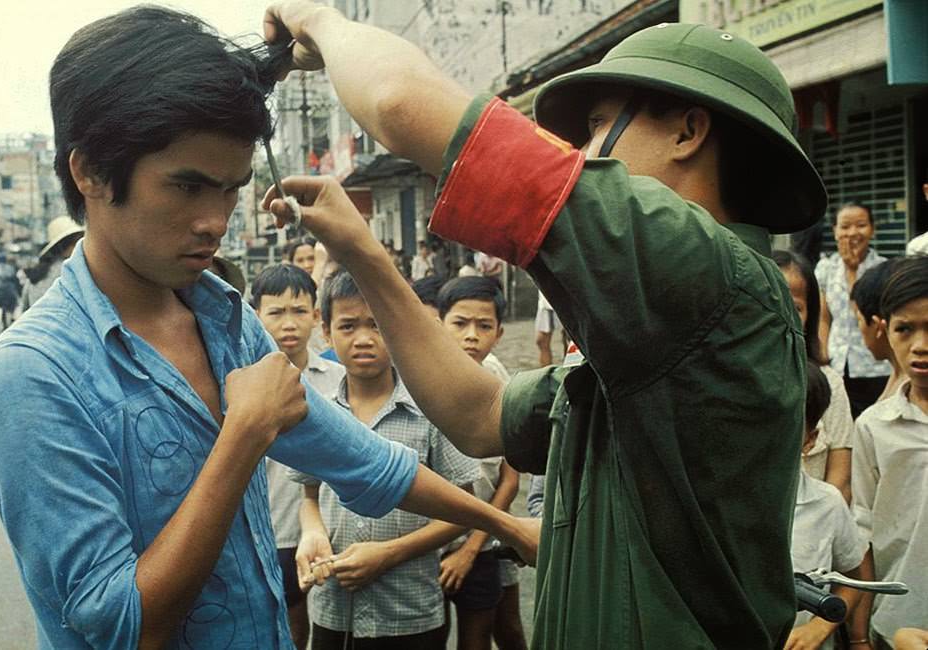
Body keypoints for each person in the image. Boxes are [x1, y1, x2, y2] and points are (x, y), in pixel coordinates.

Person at [0, 8, 536, 649]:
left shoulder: (223, 316)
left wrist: (507, 527)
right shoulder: (28, 376)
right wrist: (244, 435)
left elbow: (363, 462)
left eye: (233, 190)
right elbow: (121, 627)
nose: (215, 220)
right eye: (187, 186)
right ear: (90, 171)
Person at [263, 5, 826, 647]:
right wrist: (363, 253)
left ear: (688, 131)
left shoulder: (707, 276)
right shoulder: (660, 327)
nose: (582, 154)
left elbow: (398, 102)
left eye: (596, 128)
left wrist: (318, 20)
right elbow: (480, 415)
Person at [293, 271, 480, 649]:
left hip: (409, 611)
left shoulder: (429, 411)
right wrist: (312, 533)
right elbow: (310, 496)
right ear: (326, 332)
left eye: (377, 324)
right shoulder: (318, 415)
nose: (363, 339)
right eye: (348, 326)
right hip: (333, 606)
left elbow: (465, 509)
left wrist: (389, 554)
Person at [251, 263, 346, 650]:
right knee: (284, 627)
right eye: (276, 312)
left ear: (316, 317)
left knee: (327, 624)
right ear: (255, 315)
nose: (288, 323)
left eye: (299, 311)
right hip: (271, 529)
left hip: (328, 528)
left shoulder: (339, 379)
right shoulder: (245, 380)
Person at [436, 276, 527, 650]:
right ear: (439, 323)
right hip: (429, 541)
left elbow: (510, 479)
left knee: (500, 628)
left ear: (499, 332)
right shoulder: (421, 376)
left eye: (484, 325)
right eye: (460, 323)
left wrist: (473, 547)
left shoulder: (498, 379)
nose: (471, 335)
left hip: (488, 533)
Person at [852, 256, 928, 647]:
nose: (920, 347)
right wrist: (860, 636)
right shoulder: (874, 428)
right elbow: (862, 535)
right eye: (905, 329)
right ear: (886, 331)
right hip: (895, 622)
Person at [787, 361, 874, 650]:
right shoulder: (717, 505)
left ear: (810, 440)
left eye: (786, 427)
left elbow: (855, 577)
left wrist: (819, 627)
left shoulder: (826, 503)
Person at [774, 250, 855, 503]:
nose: (783, 315)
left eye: (796, 307)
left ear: (810, 315)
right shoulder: (735, 376)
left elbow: (840, 479)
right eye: (773, 301)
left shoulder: (828, 382)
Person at [816, 203, 892, 417]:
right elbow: (823, 318)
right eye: (845, 226)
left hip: (874, 367)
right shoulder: (825, 268)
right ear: (835, 230)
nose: (852, 233)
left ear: (872, 229)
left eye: (861, 225)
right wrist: (823, 356)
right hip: (837, 363)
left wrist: (854, 272)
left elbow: (869, 313)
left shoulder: (883, 268)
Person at [851, 258, 906, 401]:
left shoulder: (911, 390)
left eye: (859, 320)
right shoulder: (897, 373)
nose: (860, 329)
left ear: (877, 326)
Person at [21, 216, 85, 312]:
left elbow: (24, 308)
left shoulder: (36, 273)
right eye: (75, 242)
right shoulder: (71, 271)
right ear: (62, 246)